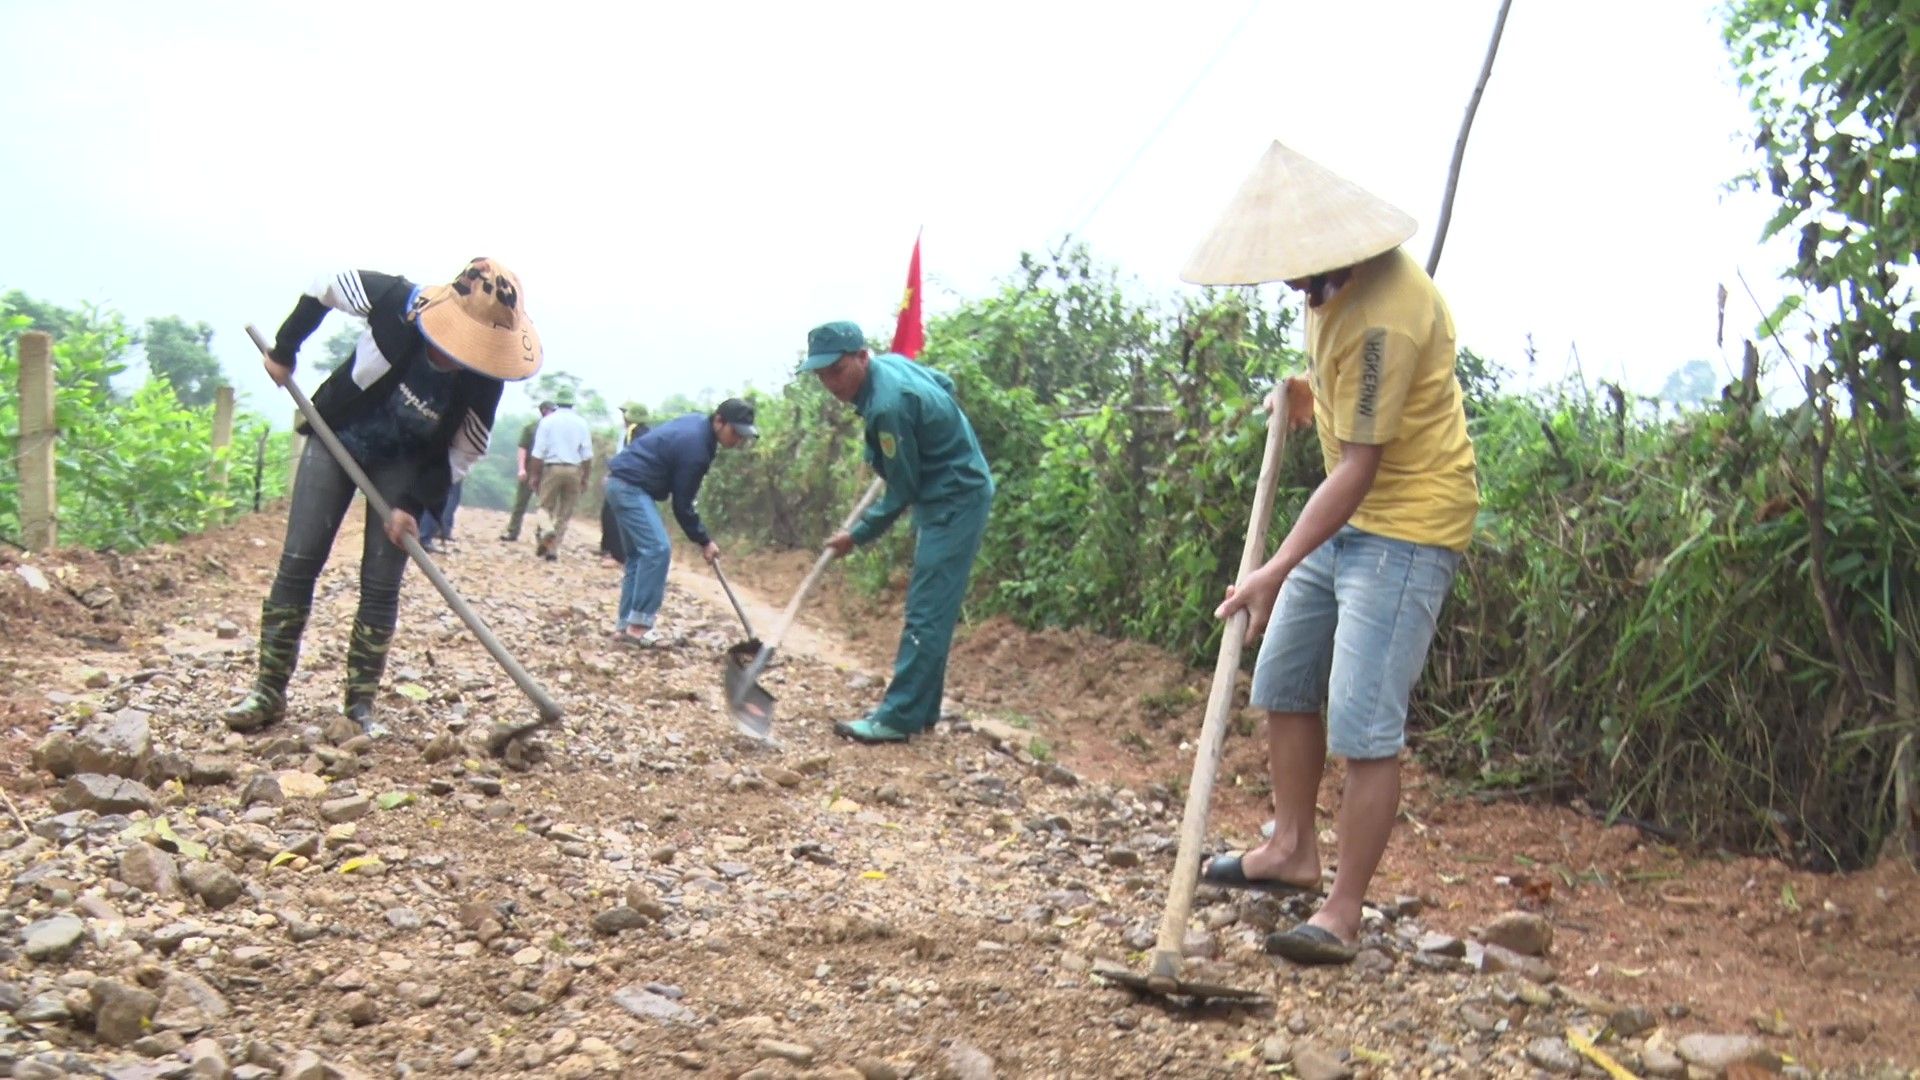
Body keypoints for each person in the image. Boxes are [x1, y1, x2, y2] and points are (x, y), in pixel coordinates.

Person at [1184, 142, 1478, 965]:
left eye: (1303, 274)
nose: (1296, 287)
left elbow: (1360, 466)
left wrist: (1273, 569)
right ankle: (1290, 849)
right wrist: (1305, 392)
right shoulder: (1331, 286)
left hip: (1407, 524)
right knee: (1282, 677)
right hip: (1351, 515)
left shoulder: (1389, 310)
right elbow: (1349, 396)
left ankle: (1343, 911)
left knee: (1363, 723)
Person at [225, 258, 541, 736]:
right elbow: (323, 286)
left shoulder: (482, 379)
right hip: (339, 436)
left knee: (380, 581)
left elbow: (462, 453)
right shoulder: (395, 301)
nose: (461, 355)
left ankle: (359, 708)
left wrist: (412, 507)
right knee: (300, 559)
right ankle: (267, 691)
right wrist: (286, 349)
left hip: (405, 462)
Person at [799, 321, 995, 744]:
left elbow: (901, 490)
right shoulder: (891, 368)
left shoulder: (888, 406)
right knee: (934, 606)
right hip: (948, 493)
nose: (830, 383)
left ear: (861, 357)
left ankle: (899, 716)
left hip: (954, 500)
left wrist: (858, 534)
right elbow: (946, 383)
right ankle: (921, 710)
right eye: (821, 375)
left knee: (926, 610)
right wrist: (929, 431)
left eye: (836, 370)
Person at [602, 399, 757, 644]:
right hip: (629, 487)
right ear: (719, 421)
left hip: (617, 482)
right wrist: (704, 541)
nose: (737, 439)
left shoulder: (697, 425)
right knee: (657, 549)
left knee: (638, 557)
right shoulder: (696, 448)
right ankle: (639, 627)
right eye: (734, 432)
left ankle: (625, 627)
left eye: (742, 435)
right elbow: (682, 505)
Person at [527, 387, 594, 561]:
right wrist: (585, 477)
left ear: (557, 402)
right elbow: (587, 455)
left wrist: (534, 475)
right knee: (565, 513)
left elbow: (538, 451)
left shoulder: (548, 421)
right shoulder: (582, 423)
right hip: (574, 470)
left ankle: (547, 530)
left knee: (543, 507)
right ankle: (552, 551)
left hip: (552, 468)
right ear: (572, 403)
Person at [599, 401, 652, 567]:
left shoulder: (633, 432)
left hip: (624, 480)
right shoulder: (646, 432)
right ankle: (615, 551)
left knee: (612, 515)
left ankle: (616, 554)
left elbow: (628, 456)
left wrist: (614, 473)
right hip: (635, 480)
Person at [498, 401, 555, 541]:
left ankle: (541, 534)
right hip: (530, 467)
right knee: (520, 502)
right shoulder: (531, 428)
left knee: (546, 505)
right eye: (550, 409)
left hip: (548, 469)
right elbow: (522, 448)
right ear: (543, 410)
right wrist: (522, 468)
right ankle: (512, 530)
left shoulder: (556, 429)